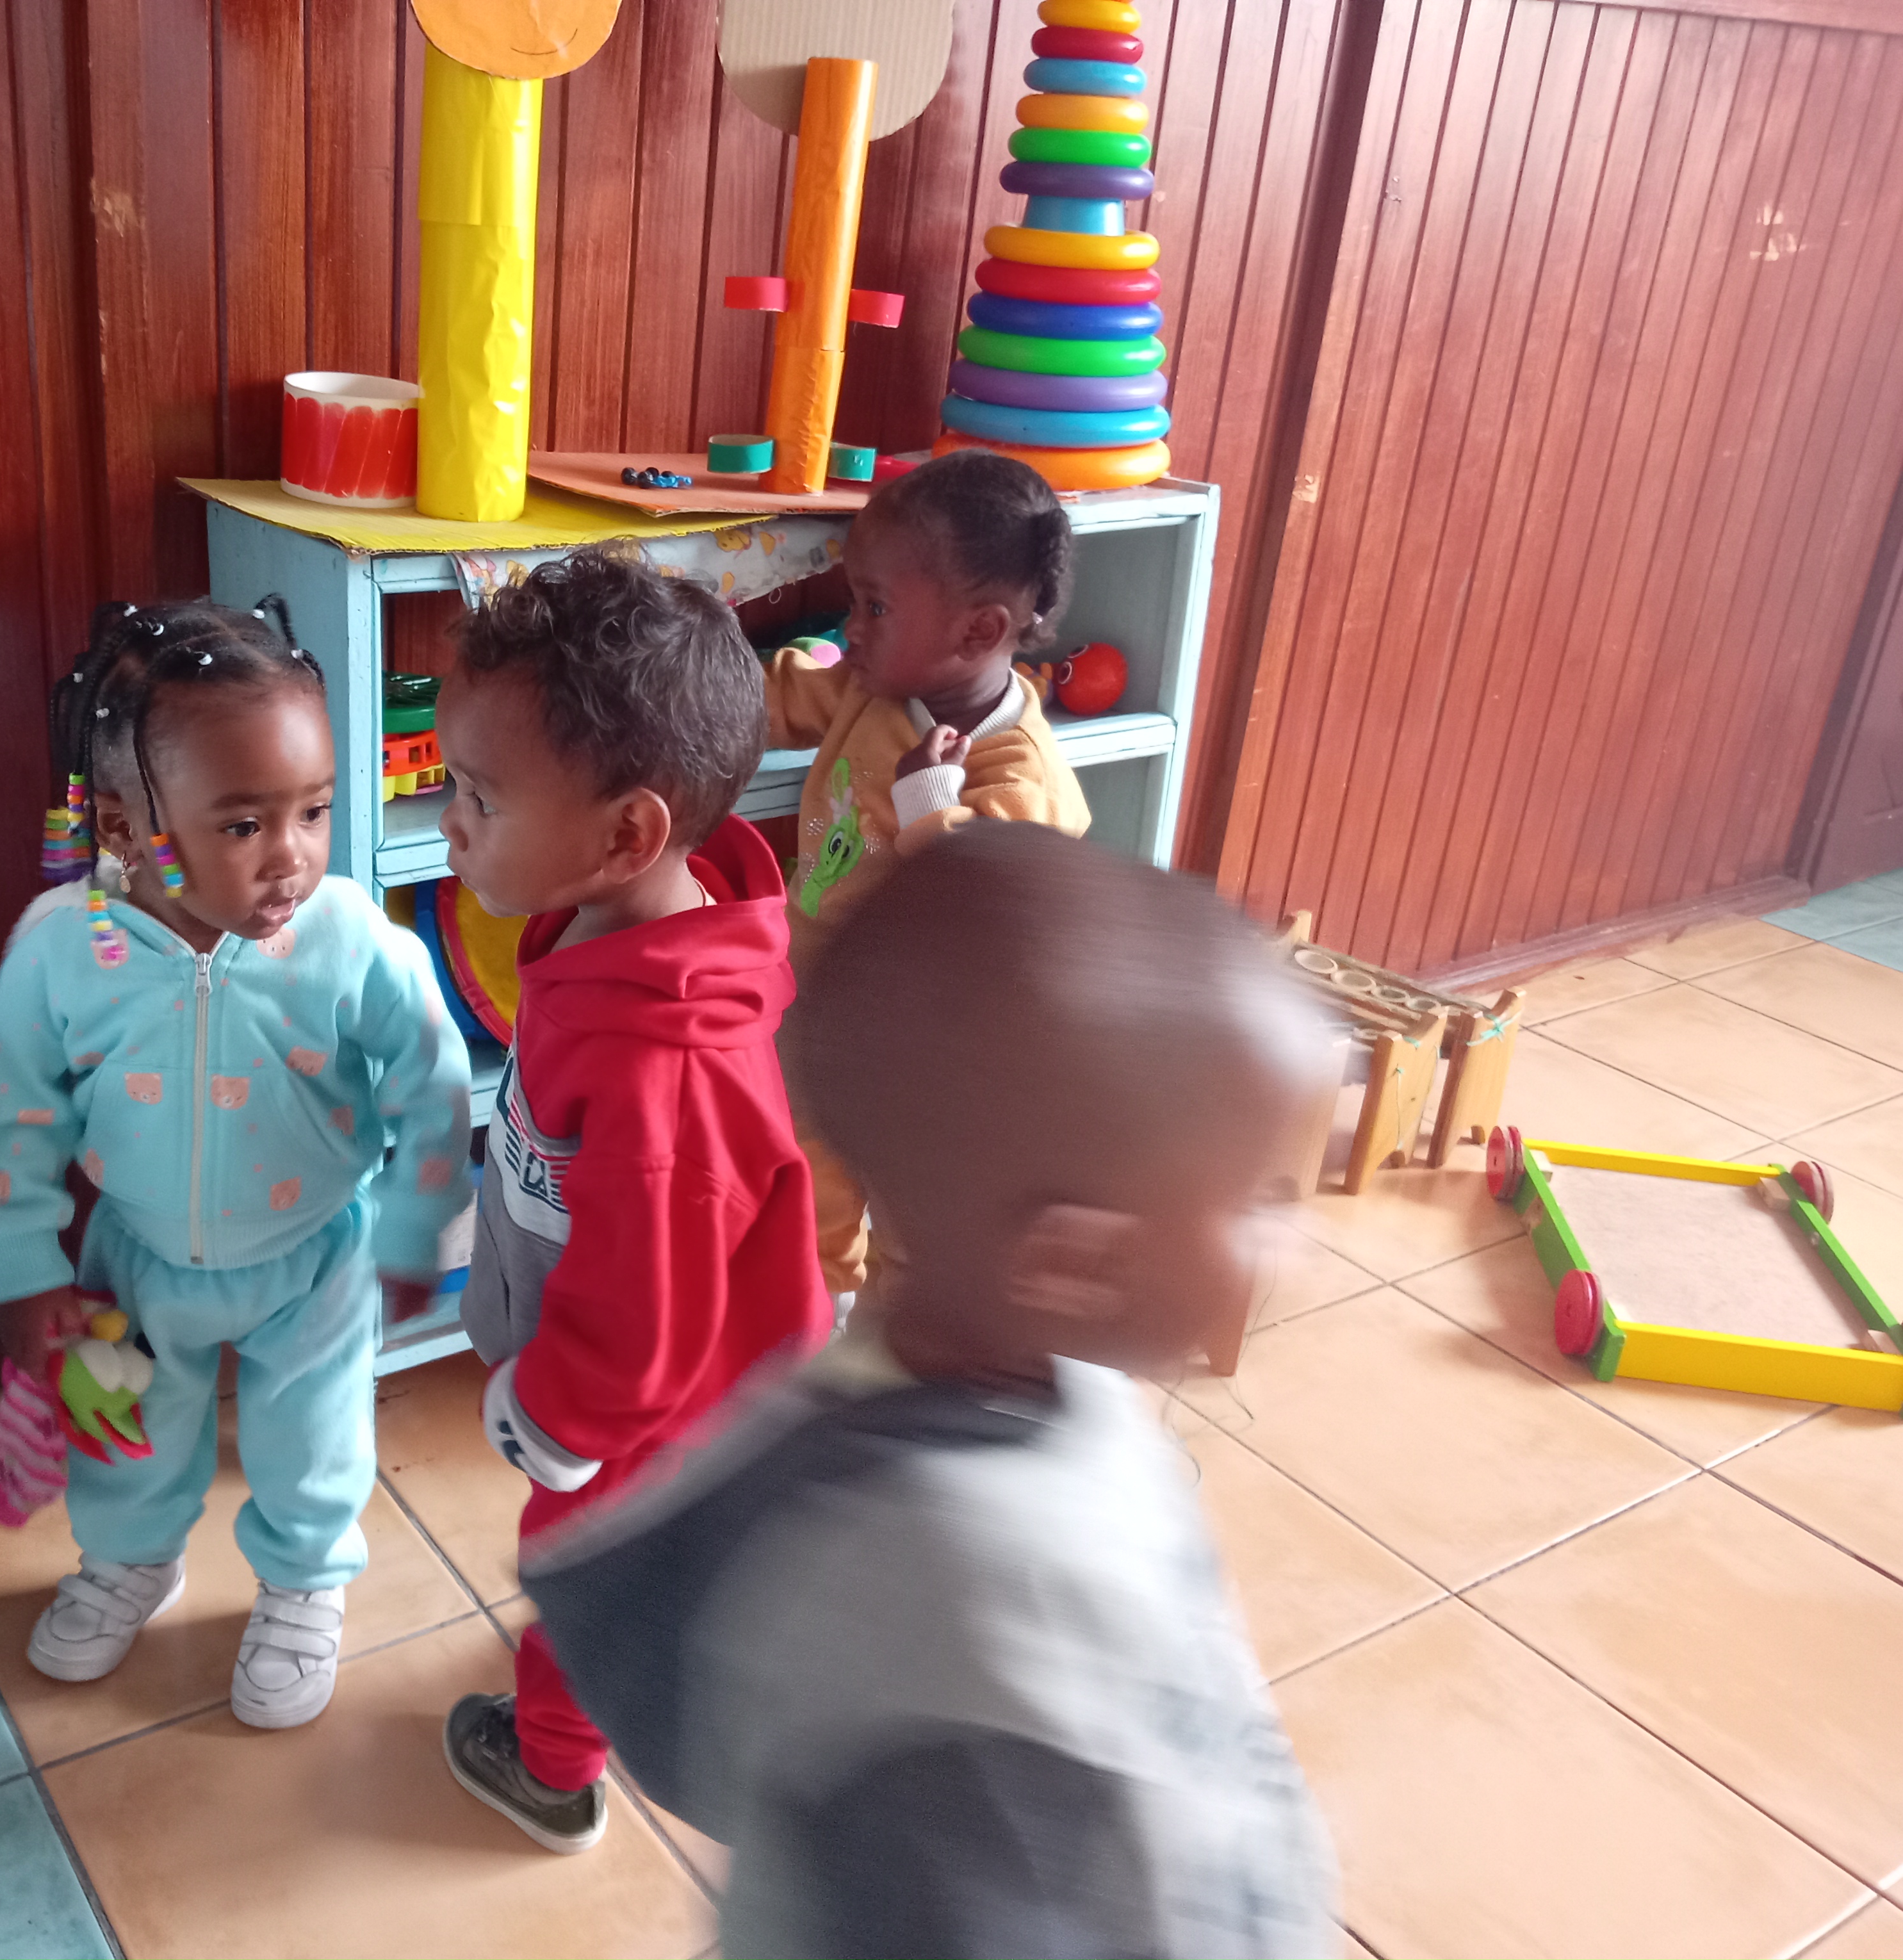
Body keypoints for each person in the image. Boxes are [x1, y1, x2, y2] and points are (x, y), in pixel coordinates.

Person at [520, 822, 1343, 1959]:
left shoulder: (1049, 1375)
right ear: (1074, 1263)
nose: (1291, 1239)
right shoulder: (956, 1622)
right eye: (1258, 1198)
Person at [0, 598, 473, 1727]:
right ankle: (131, 1562)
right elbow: (9, 1116)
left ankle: (303, 1584)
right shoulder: (64, 946)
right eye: (244, 825)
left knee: (313, 1442)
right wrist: (23, 1270)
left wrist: (415, 1222)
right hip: (134, 1257)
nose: (292, 856)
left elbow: (430, 1079)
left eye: (314, 810)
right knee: (125, 1434)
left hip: (318, 1254)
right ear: (124, 825)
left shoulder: (349, 938)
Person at [429, 548, 835, 1854]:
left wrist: (559, 1417)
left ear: (626, 836)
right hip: (663, 1369)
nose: (449, 823)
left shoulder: (668, 1067)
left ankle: (552, 1770)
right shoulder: (615, 928)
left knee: (588, 1569)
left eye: (479, 798)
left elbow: (644, 1316)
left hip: (666, 1404)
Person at [767, 447, 1092, 1311]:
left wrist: (928, 801)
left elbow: (981, 891)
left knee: (920, 1202)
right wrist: (692, 691)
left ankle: (923, 1330)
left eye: (874, 607)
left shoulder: (1023, 773)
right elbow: (783, 696)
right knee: (809, 1169)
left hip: (932, 1045)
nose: (852, 628)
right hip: (818, 998)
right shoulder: (871, 689)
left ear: (978, 632)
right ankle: (818, 1315)